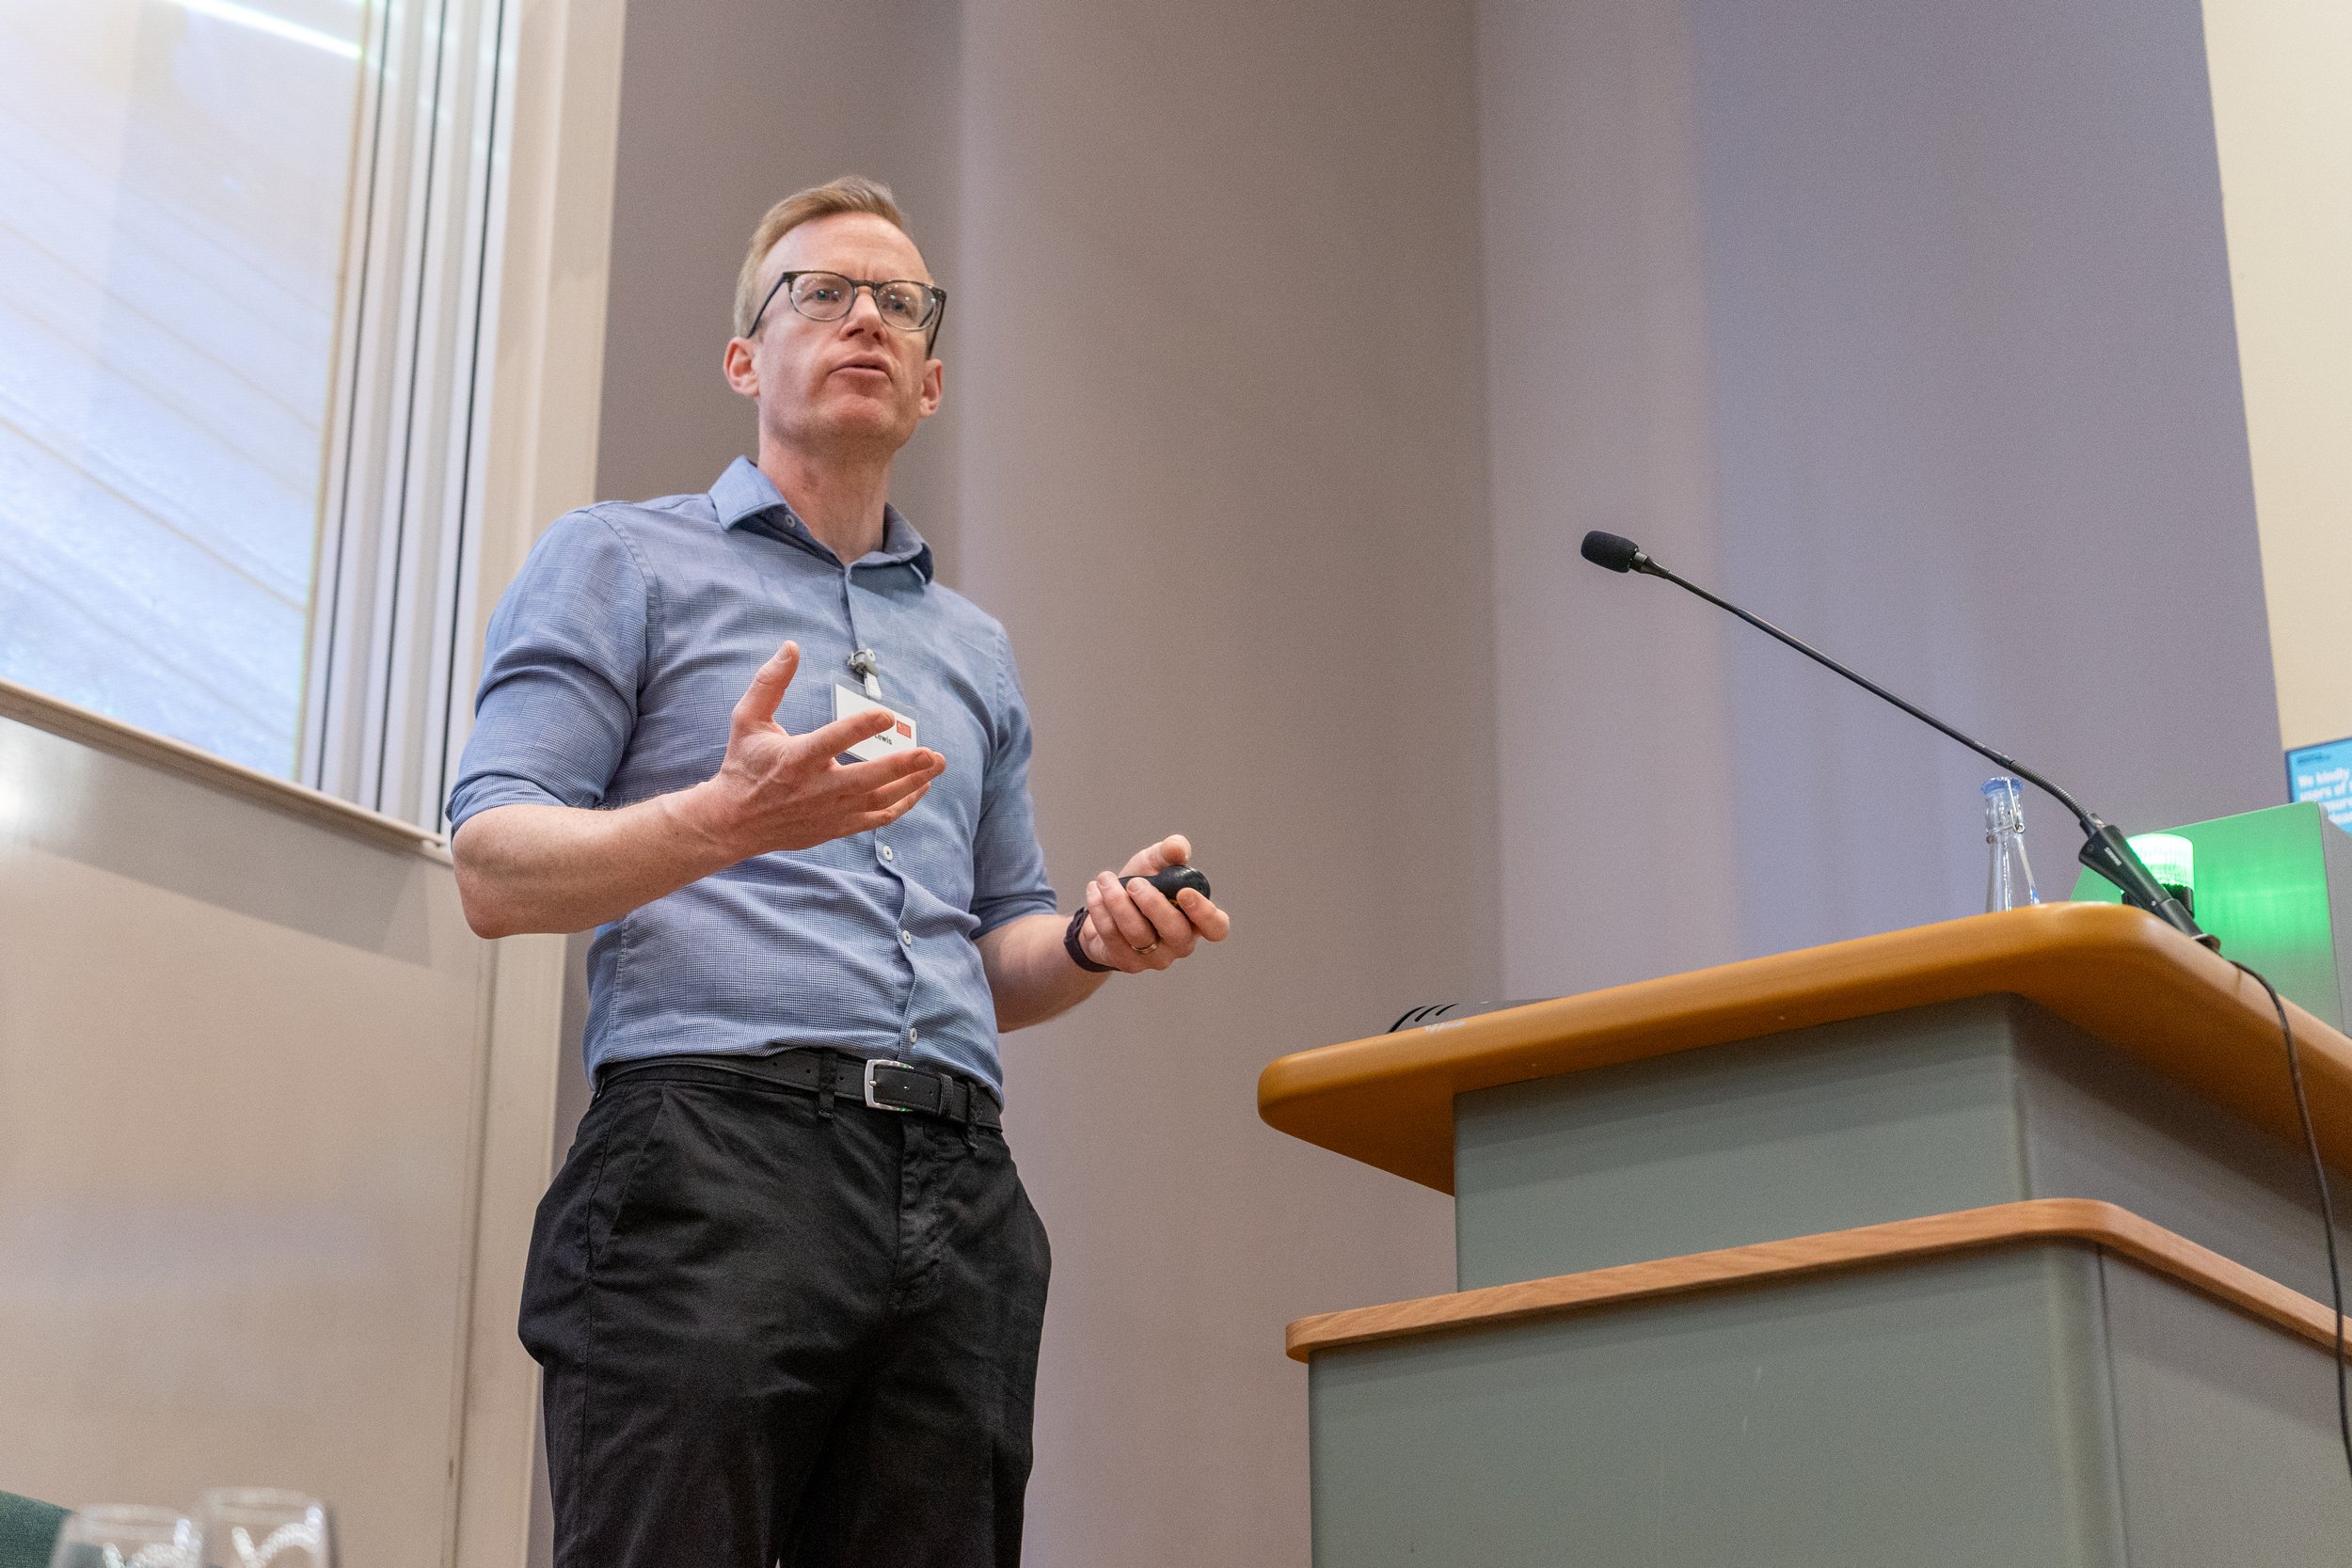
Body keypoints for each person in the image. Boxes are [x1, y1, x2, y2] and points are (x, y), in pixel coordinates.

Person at [446, 174, 1230, 1568]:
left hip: (960, 1186)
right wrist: (725, 823)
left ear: (930, 380)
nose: (864, 315)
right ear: (749, 358)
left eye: (900, 303)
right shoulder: (619, 557)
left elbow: (1002, 950)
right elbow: (494, 866)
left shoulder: (977, 650)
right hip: (713, 1152)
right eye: (821, 291)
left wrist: (1094, 943)